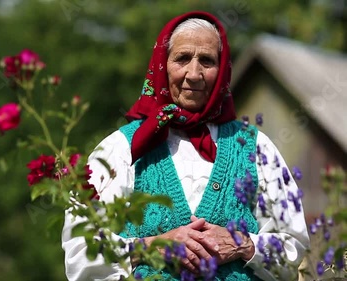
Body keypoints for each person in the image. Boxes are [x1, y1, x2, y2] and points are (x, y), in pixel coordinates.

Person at [62, 11, 310, 281]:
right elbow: (81, 253)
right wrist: (152, 246)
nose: (194, 74)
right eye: (182, 59)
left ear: (223, 68)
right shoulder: (120, 149)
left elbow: (293, 248)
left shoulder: (257, 148)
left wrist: (242, 244)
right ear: (162, 65)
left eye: (207, 60)